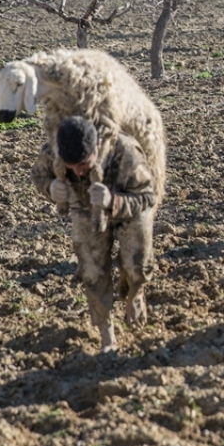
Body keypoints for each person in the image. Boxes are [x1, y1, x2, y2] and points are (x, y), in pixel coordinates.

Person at [31, 116, 158, 353]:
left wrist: (113, 201)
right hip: (85, 208)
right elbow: (38, 175)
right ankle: (107, 334)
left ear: (97, 146)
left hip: (127, 202)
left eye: (85, 164)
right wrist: (50, 187)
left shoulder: (126, 153)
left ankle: (134, 293)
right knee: (92, 270)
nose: (79, 171)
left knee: (137, 265)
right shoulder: (54, 152)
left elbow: (147, 197)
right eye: (72, 165)